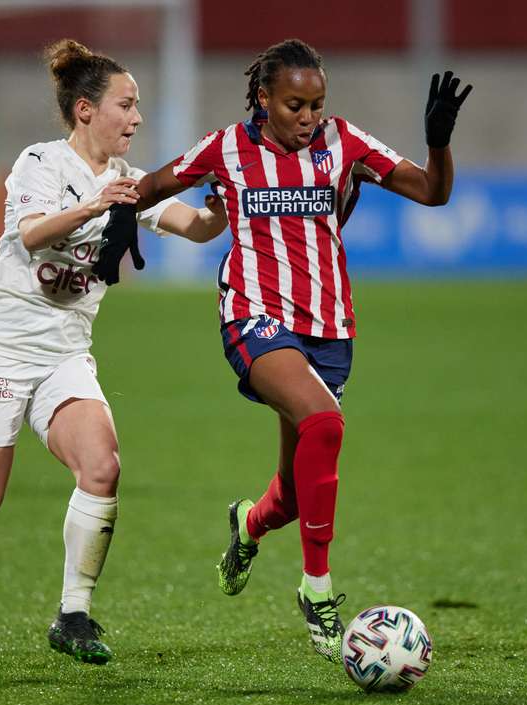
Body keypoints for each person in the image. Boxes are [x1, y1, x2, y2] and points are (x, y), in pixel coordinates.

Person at [0, 39, 228, 675]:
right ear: (85, 110)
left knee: (102, 466)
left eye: (137, 106)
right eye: (126, 105)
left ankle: (72, 615)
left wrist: (218, 206)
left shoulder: (131, 183)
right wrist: (98, 205)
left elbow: (196, 227)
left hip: (64, 352)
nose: (137, 118)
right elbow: (30, 234)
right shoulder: (41, 163)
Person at [101, 38, 472, 663]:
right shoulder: (226, 147)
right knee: (325, 421)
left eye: (316, 105)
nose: (308, 117)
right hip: (253, 315)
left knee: (296, 495)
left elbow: (434, 192)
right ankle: (316, 591)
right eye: (295, 105)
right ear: (264, 98)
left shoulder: (344, 143)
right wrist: (117, 224)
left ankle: (248, 525)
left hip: (329, 326)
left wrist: (438, 140)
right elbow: (153, 184)